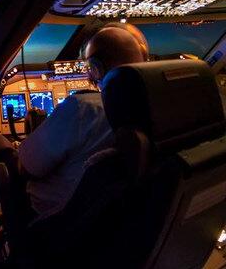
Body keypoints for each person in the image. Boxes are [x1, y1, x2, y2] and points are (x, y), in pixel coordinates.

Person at [18, 23, 148, 220]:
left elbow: (28, 168)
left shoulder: (82, 108)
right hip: (117, 218)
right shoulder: (156, 106)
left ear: (95, 69)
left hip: (57, 219)